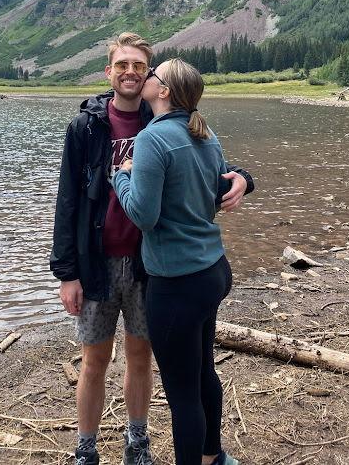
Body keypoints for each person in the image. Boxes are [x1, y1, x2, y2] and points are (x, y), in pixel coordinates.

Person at [51, 34, 254, 465]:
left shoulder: (158, 124)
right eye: (121, 64)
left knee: (142, 357)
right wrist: (66, 272)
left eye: (139, 66)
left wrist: (243, 177)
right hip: (97, 263)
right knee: (94, 360)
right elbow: (67, 200)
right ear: (109, 71)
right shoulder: (86, 127)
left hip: (151, 266)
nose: (130, 72)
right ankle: (86, 451)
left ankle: (137, 444)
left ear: (151, 78)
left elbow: (204, 160)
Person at [112, 58, 241, 465]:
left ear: (163, 91)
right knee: (204, 373)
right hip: (213, 272)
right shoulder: (206, 133)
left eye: (153, 74)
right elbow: (217, 195)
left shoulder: (153, 138)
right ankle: (212, 456)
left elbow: (144, 216)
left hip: (176, 282)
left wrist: (121, 175)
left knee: (182, 393)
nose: (145, 78)